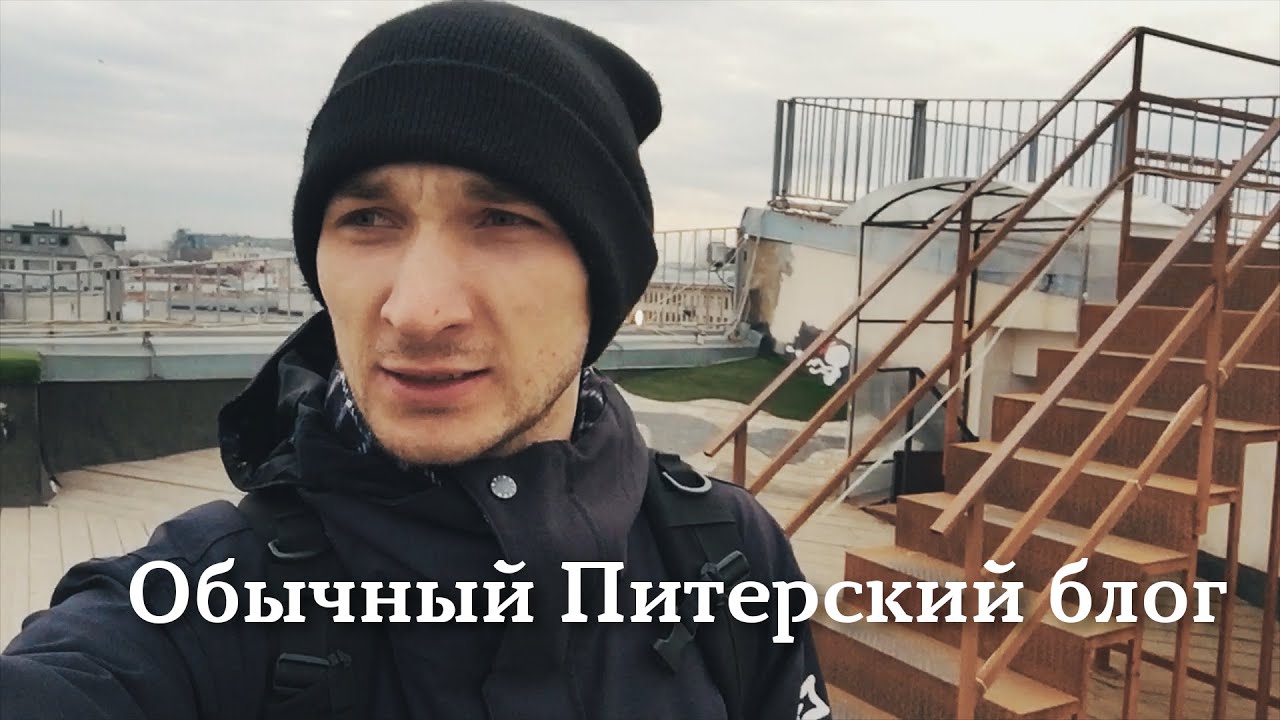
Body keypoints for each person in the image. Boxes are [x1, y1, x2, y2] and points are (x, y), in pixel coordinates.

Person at [0, 2, 831, 718]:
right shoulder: (200, 602)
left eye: (502, 219)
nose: (416, 311)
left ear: (604, 277)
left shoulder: (727, 556)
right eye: (367, 219)